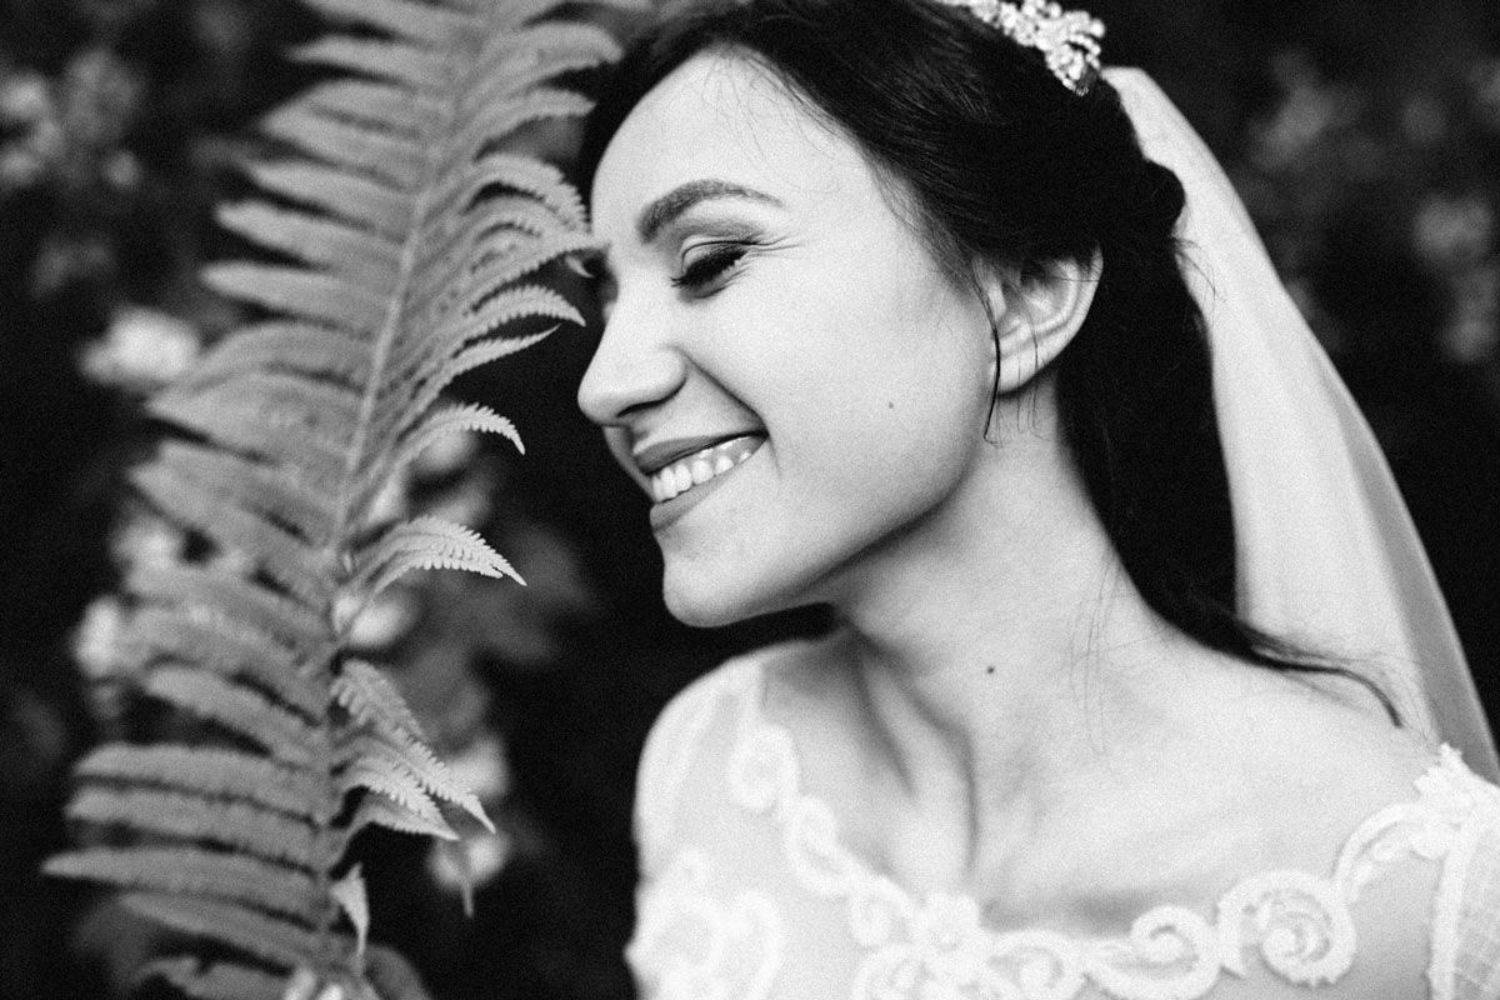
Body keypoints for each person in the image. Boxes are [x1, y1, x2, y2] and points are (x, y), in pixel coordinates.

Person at [572, 0, 1500, 996]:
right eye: (607, 298)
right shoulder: (712, 766)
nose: (603, 385)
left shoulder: (1424, 902)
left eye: (709, 262)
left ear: (1026, 295)